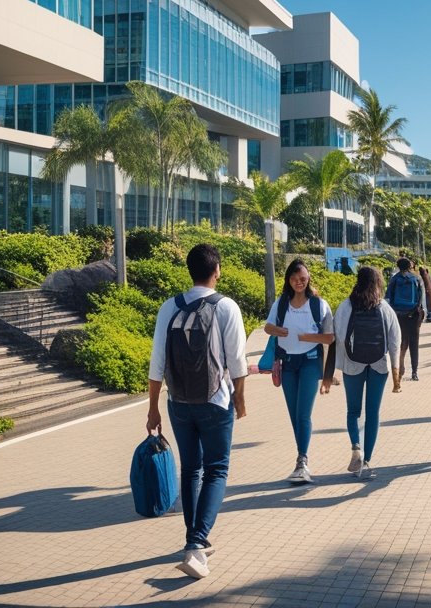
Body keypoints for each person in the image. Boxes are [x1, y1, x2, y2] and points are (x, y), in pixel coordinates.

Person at [147, 243, 248, 580]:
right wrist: (241, 400)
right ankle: (196, 544)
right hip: (215, 402)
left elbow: (156, 363)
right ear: (216, 270)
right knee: (217, 470)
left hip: (177, 403)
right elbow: (237, 362)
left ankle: (195, 541)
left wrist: (153, 410)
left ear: (189, 270)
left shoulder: (168, 307)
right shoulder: (226, 307)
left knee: (190, 469)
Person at [324, 266, 401, 480]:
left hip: (352, 364)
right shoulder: (384, 307)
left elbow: (337, 336)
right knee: (372, 413)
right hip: (379, 365)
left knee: (353, 411)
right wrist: (396, 372)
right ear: (378, 283)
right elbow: (395, 340)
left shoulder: (346, 306)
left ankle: (356, 448)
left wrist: (340, 364)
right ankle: (367, 462)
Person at [263, 258, 335, 485]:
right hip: (287, 364)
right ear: (288, 280)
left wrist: (307, 337)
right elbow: (267, 327)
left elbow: (330, 337)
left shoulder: (318, 304)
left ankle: (302, 461)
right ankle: (301, 456)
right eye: (294, 279)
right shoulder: (281, 303)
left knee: (303, 413)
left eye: (302, 278)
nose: (299, 282)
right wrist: (279, 330)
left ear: (309, 278)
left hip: (310, 362)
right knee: (294, 415)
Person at [385, 257, 424, 387]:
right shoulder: (416, 278)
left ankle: (400, 368)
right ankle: (414, 372)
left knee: (401, 343)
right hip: (414, 315)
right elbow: (420, 299)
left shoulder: (394, 279)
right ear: (410, 266)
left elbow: (388, 297)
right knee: (414, 343)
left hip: (398, 315)